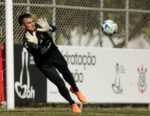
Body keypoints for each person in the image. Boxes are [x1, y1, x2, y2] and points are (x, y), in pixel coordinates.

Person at [18, 13, 87, 113]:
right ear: (23, 26)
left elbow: (54, 28)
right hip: (44, 64)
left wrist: (49, 28)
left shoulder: (39, 26)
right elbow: (37, 54)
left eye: (32, 21)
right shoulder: (26, 41)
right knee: (60, 84)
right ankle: (72, 103)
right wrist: (36, 45)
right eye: (29, 23)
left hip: (54, 54)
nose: (32, 24)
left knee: (66, 73)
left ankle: (76, 90)